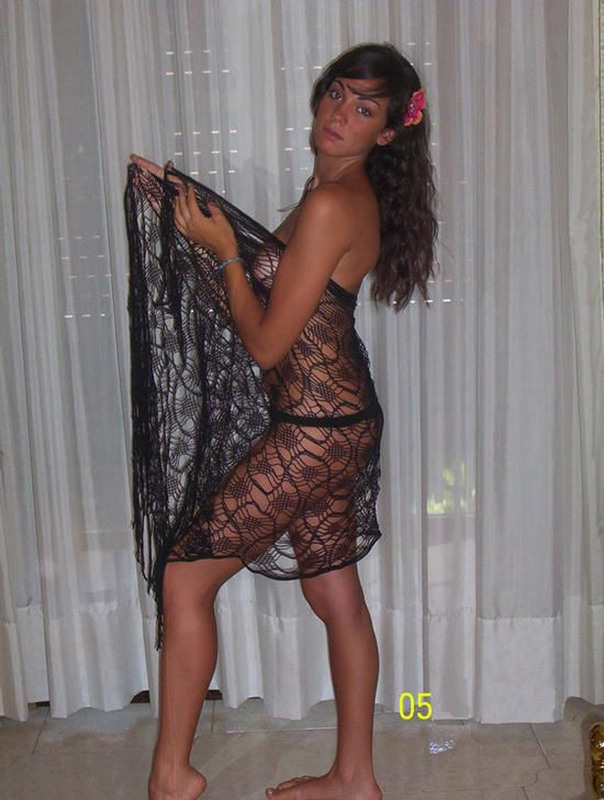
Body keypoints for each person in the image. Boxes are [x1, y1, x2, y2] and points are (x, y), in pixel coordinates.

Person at [128, 41, 436, 800]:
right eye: (337, 93)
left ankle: (172, 776)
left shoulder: (334, 203)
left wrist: (225, 251)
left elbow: (266, 341)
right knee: (334, 597)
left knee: (184, 579)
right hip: (334, 421)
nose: (340, 114)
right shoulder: (328, 191)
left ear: (387, 132)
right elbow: (278, 289)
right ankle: (354, 779)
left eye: (364, 108)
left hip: (315, 431)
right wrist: (190, 209)